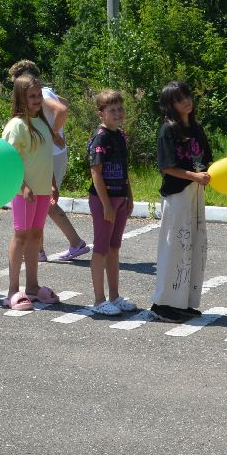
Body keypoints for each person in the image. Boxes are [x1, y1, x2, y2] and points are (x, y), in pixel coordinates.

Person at [8, 60, 89, 263]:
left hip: (49, 152)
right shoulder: (46, 91)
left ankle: (75, 242)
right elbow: (64, 102)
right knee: (42, 201)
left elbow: (61, 110)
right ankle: (40, 250)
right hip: (46, 151)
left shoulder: (40, 94)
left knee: (46, 202)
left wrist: (53, 132)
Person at [149, 80, 210, 323]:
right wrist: (194, 176)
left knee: (195, 247)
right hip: (177, 194)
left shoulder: (196, 128)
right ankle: (162, 303)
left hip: (196, 193)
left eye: (187, 95)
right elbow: (167, 167)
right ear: (169, 105)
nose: (186, 100)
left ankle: (184, 302)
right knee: (174, 247)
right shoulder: (168, 130)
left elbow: (206, 160)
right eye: (179, 98)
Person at [1, 75, 60, 311]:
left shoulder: (43, 122)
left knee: (36, 235)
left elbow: (46, 157)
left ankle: (33, 287)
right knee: (21, 235)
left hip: (43, 190)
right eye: (32, 96)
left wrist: (53, 182)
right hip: (24, 191)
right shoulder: (17, 125)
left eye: (39, 95)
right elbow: (8, 159)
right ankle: (13, 291)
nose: (37, 100)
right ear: (21, 98)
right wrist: (23, 186)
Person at [86, 90, 138, 316]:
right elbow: (96, 173)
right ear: (101, 114)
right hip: (103, 200)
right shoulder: (101, 138)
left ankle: (114, 296)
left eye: (120, 109)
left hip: (120, 198)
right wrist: (107, 204)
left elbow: (125, 171)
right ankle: (99, 299)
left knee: (114, 247)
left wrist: (129, 196)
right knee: (101, 248)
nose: (118, 113)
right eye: (112, 110)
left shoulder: (121, 136)